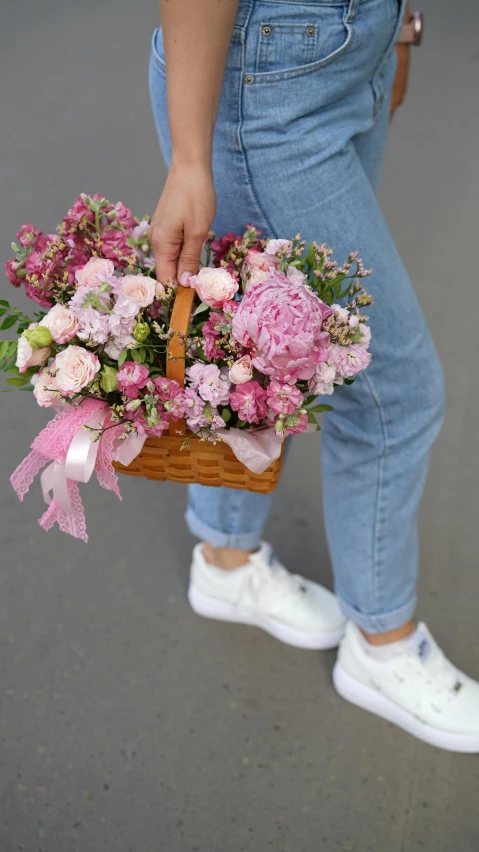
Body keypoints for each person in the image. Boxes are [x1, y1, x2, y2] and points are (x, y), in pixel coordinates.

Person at [147, 0, 479, 752]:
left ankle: (227, 563)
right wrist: (193, 159)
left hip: (339, 53)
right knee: (392, 394)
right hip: (268, 93)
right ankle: (382, 646)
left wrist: (394, 23)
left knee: (270, 352)